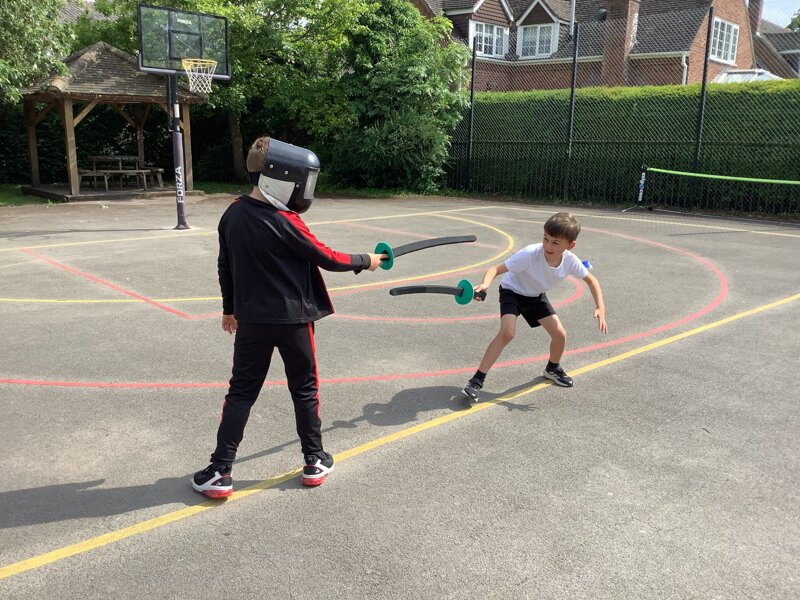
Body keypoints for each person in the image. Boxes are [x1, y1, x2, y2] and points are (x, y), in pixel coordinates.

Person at [192, 136, 383, 498]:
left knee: (241, 393)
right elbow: (326, 256)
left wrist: (228, 309)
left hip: (251, 321)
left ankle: (220, 470)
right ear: (277, 178)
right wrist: (366, 261)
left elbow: (225, 266)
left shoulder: (232, 213)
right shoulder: (285, 221)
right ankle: (314, 459)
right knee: (305, 389)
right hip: (295, 322)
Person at [462, 212, 607, 400]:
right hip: (512, 292)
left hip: (536, 296)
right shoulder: (530, 254)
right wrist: (485, 284)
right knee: (507, 333)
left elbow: (591, 280)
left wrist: (600, 306)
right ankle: (476, 380)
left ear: (570, 245)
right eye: (546, 239)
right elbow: (495, 269)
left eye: (555, 242)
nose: (548, 245)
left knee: (560, 334)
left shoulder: (570, 260)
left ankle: (552, 368)